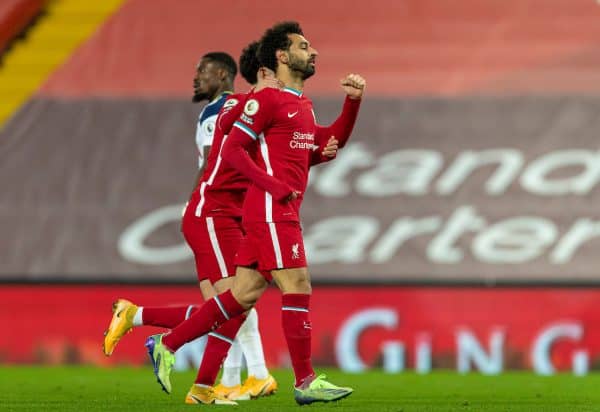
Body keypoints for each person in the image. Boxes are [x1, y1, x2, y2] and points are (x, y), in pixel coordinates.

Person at [144, 21, 365, 406]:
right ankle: (306, 380)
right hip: (270, 212)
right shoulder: (264, 100)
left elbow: (331, 142)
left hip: (274, 210)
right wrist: (273, 186)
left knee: (240, 297)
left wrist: (352, 103)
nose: (313, 53)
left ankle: (168, 343)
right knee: (298, 286)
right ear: (281, 56)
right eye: (304, 46)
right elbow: (230, 151)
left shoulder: (302, 105)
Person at [102, 50, 278, 404]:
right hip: (215, 213)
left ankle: (231, 378)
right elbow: (219, 161)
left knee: (222, 305)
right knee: (234, 301)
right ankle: (247, 375)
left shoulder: (218, 110)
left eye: (204, 71)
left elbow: (214, 160)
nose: (196, 77)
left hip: (210, 211)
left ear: (225, 75)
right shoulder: (224, 109)